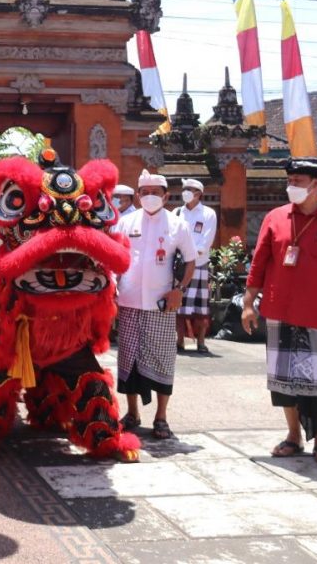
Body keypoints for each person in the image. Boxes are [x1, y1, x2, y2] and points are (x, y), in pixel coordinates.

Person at [242, 157, 317, 465]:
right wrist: (248, 304)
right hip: (280, 310)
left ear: (316, 184)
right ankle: (293, 436)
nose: (291, 186)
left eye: (297, 181)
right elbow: (258, 264)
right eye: (290, 180)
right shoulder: (275, 218)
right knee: (284, 381)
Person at [112, 170, 196, 440]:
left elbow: (191, 260)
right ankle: (133, 413)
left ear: (165, 196)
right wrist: (112, 286)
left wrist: (179, 290)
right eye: (144, 192)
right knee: (128, 359)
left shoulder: (176, 224)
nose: (149, 197)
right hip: (129, 300)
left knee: (162, 360)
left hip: (162, 303)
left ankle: (161, 416)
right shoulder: (125, 223)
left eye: (155, 193)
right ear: (137, 195)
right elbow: (115, 257)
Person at [176, 178, 217, 354]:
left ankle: (201, 341)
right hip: (180, 266)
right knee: (178, 306)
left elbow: (205, 242)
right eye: (184, 188)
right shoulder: (176, 212)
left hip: (199, 265)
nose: (185, 191)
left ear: (198, 193)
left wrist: (189, 254)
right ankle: (179, 341)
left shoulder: (208, 214)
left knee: (201, 308)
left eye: (189, 189)